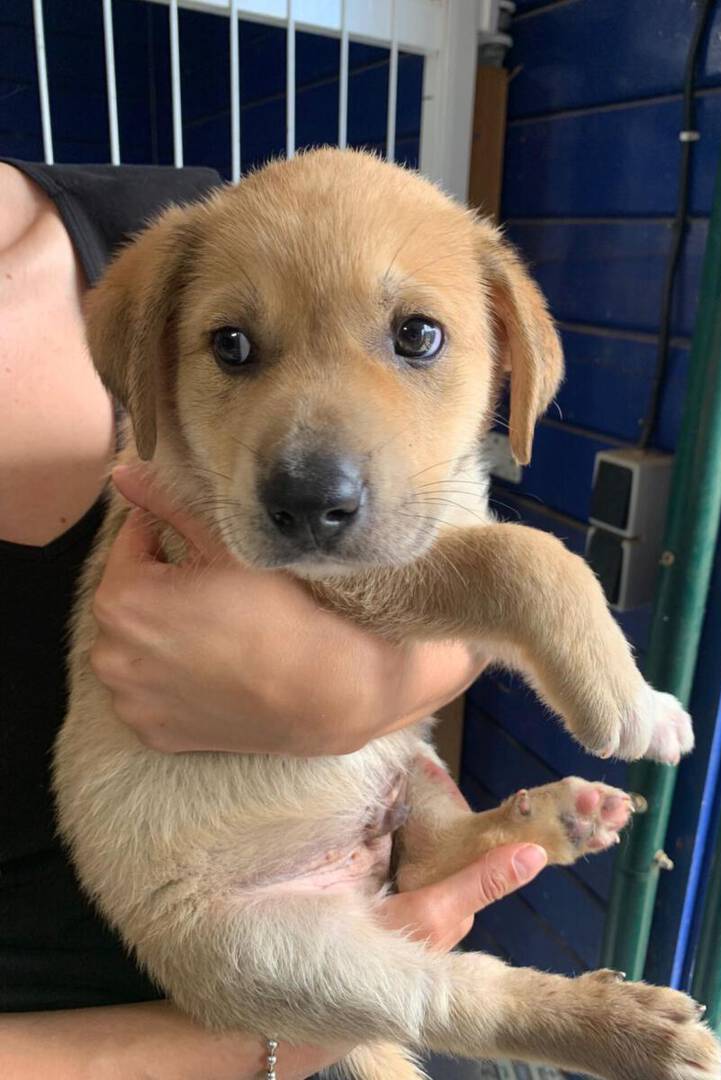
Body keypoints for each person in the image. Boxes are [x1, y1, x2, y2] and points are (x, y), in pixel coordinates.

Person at [0, 160, 547, 1079]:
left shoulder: (182, 230)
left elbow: (456, 586)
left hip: (354, 939)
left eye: (413, 337)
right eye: (235, 349)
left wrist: (354, 694)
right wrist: (267, 1039)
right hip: (213, 996)